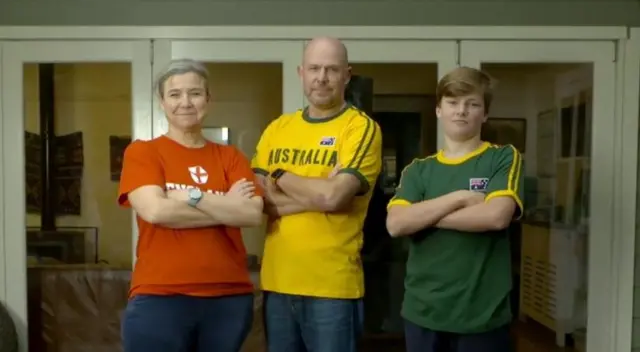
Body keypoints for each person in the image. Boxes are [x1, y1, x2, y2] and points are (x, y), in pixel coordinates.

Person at [117, 59, 264, 352]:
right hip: (159, 296)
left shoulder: (231, 157)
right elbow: (156, 211)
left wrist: (189, 197)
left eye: (195, 93)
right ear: (162, 101)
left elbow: (250, 213)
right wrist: (226, 206)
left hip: (228, 297)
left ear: (208, 99)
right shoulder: (143, 152)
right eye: (175, 94)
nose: (185, 102)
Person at [251, 37, 383, 352]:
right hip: (278, 284)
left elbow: (334, 197)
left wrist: (280, 175)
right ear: (301, 72)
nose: (321, 77)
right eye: (314, 68)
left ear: (347, 75)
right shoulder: (277, 128)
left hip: (332, 288)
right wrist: (318, 191)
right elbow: (257, 199)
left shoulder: (360, 128)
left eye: (331, 69)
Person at [386, 67, 524, 352]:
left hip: (482, 316)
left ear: (484, 114)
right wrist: (460, 197)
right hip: (423, 313)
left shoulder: (503, 157)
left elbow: (496, 216)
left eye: (472, 104)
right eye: (452, 103)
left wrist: (423, 216)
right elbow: (396, 224)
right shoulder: (418, 171)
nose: (461, 111)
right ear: (439, 110)